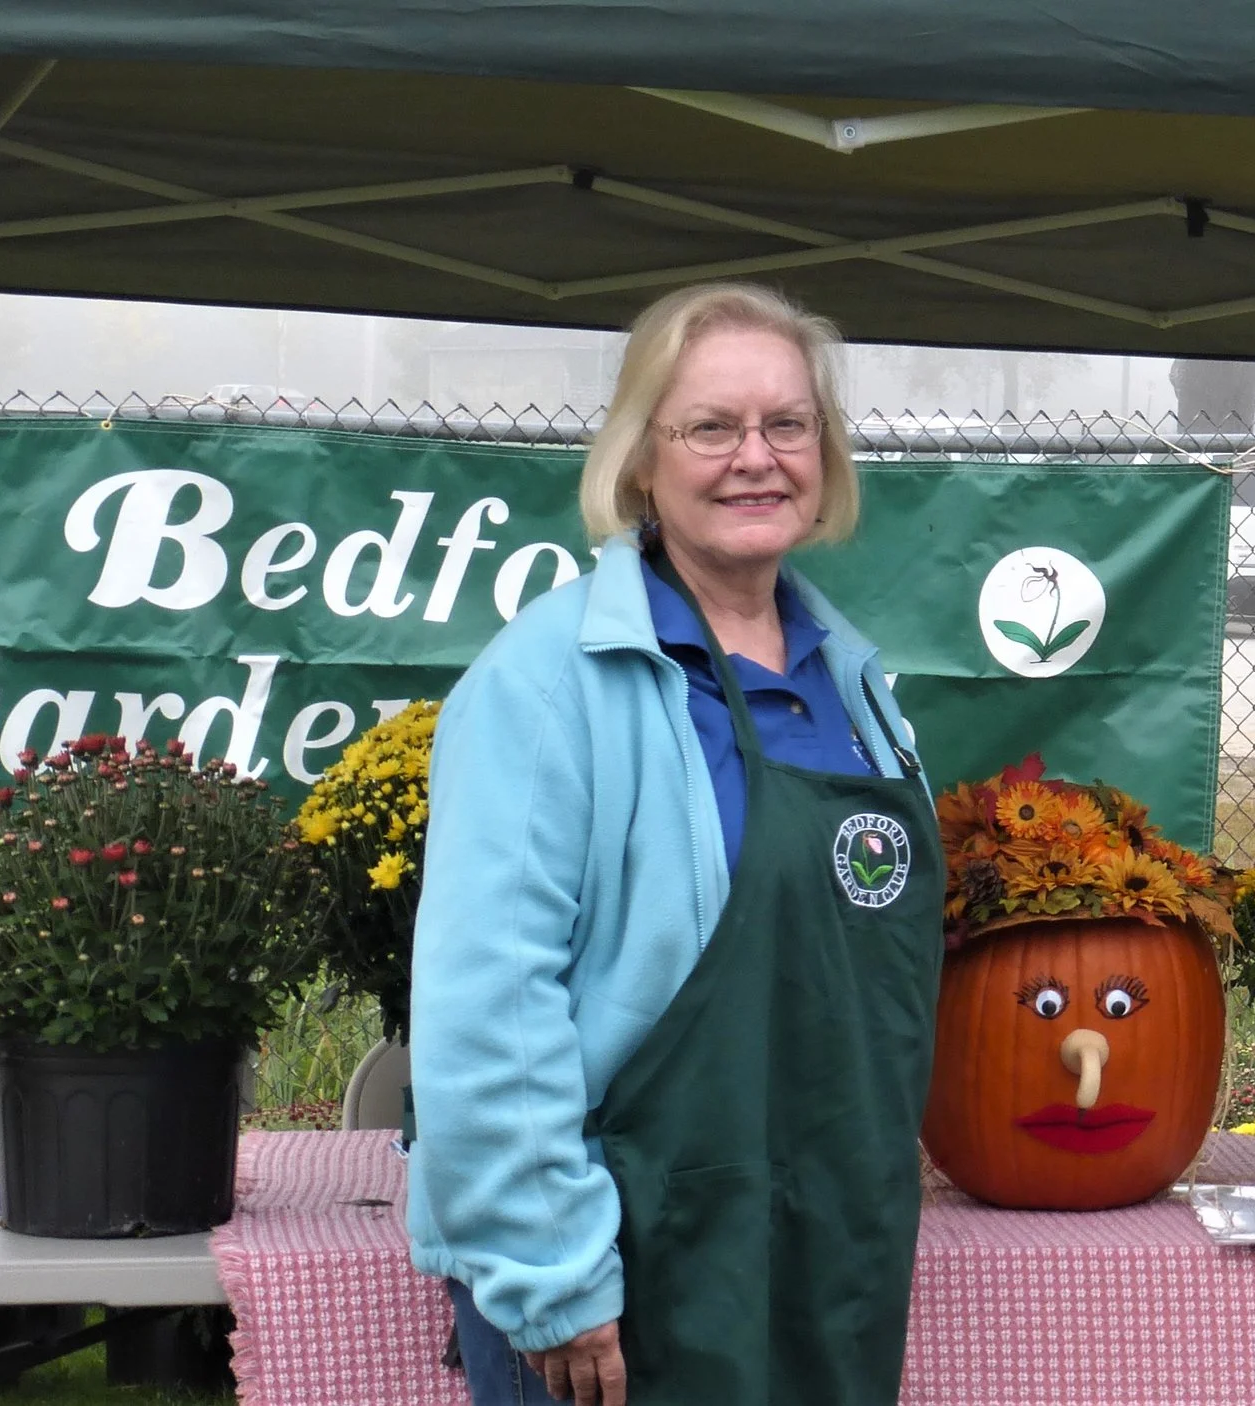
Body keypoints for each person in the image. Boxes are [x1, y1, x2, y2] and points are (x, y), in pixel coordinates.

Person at [406, 282, 940, 1406]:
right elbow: (487, 1004)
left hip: (818, 1257)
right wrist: (553, 1271)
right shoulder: (549, 682)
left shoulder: (853, 682)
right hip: (626, 1263)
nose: (757, 457)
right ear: (642, 458)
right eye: (711, 427)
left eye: (788, 424)